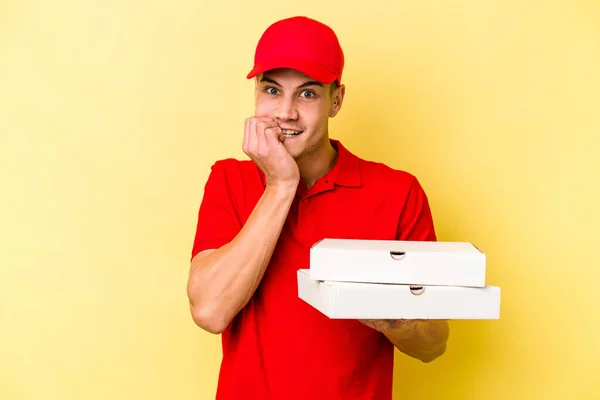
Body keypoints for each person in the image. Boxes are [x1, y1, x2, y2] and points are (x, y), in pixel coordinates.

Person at [186, 16, 450, 400]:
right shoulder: (229, 181)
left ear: (336, 100)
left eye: (307, 94)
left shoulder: (398, 192)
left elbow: (434, 343)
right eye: (272, 90)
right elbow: (209, 312)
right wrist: (281, 184)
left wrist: (396, 320)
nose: (286, 112)